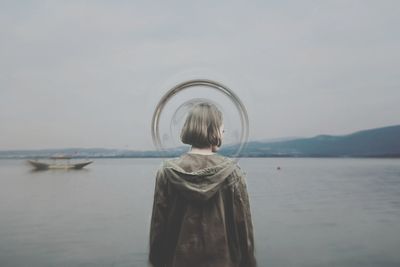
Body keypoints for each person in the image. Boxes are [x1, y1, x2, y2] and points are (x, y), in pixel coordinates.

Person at [148, 102, 257, 267]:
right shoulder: (233, 173)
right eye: (221, 127)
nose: (224, 131)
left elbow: (158, 230)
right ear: (212, 130)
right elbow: (244, 230)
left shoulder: (166, 172)